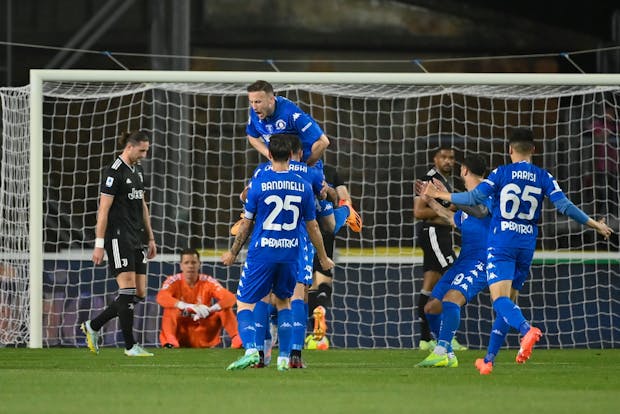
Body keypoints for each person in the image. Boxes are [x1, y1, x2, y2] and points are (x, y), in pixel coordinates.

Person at [424, 127, 613, 374]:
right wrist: (595, 224)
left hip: (502, 243)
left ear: (510, 149)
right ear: (533, 150)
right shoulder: (544, 176)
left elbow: (474, 199)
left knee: (500, 300)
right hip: (527, 245)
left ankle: (526, 330)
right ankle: (489, 360)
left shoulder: (501, 173)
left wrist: (439, 193)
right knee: (509, 302)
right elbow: (565, 207)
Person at [221, 134, 334, 371]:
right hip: (295, 247)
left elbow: (245, 205)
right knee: (292, 298)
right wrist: (323, 256)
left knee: (252, 300)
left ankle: (257, 352)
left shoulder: (261, 177)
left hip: (263, 250)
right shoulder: (308, 177)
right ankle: (289, 355)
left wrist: (232, 252)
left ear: (270, 154)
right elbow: (323, 210)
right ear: (298, 153)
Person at [81, 130, 157, 357]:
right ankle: (130, 346)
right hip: (117, 237)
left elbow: (143, 205)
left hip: (137, 237)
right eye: (142, 150)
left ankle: (93, 325)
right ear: (130, 147)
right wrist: (98, 244)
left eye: (147, 150)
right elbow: (103, 210)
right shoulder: (114, 172)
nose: (145, 154)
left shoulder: (139, 171)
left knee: (139, 293)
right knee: (127, 290)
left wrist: (151, 237)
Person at [414, 154, 493, 368]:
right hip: (464, 260)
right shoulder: (466, 200)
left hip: (482, 261)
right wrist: (431, 200)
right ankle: (448, 353)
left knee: (451, 299)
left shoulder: (485, 194)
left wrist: (443, 194)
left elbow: (481, 210)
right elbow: (452, 219)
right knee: (431, 308)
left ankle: (441, 350)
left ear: (464, 171)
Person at [413, 145, 466, 351]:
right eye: (443, 157)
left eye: (451, 157)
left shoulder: (448, 181)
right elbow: (418, 212)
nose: (448, 161)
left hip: (442, 235)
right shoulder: (429, 178)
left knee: (430, 285)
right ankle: (446, 337)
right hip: (434, 234)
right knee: (456, 277)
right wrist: (448, 209)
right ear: (435, 159)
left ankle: (426, 339)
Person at [156, 248, 242, 349]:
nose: (190, 266)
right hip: (182, 331)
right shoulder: (173, 280)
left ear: (199, 264)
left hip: (203, 328)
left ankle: (237, 340)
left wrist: (211, 309)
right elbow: (161, 297)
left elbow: (230, 298)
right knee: (170, 308)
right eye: (186, 262)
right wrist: (187, 306)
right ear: (181, 265)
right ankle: (170, 343)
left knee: (224, 308)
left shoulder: (207, 281)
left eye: (193, 262)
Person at [246, 79, 330, 168]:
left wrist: (305, 167)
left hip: (305, 166)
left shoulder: (291, 114)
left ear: (271, 100)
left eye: (258, 102)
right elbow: (252, 136)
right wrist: (271, 157)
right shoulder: (255, 112)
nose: (254, 107)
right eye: (251, 102)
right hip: (279, 168)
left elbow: (323, 142)